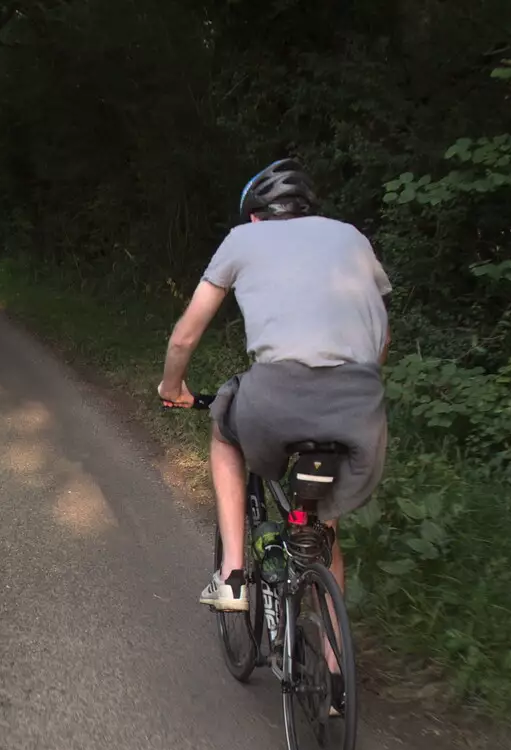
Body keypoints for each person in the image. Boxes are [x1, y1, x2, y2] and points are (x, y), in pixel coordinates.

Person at [156, 158, 391, 617]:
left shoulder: (244, 238)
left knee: (224, 429)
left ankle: (233, 575)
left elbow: (185, 335)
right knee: (324, 527)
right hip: (360, 407)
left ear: (257, 214)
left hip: (275, 396)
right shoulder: (351, 238)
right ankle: (334, 664)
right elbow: (382, 336)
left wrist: (172, 386)